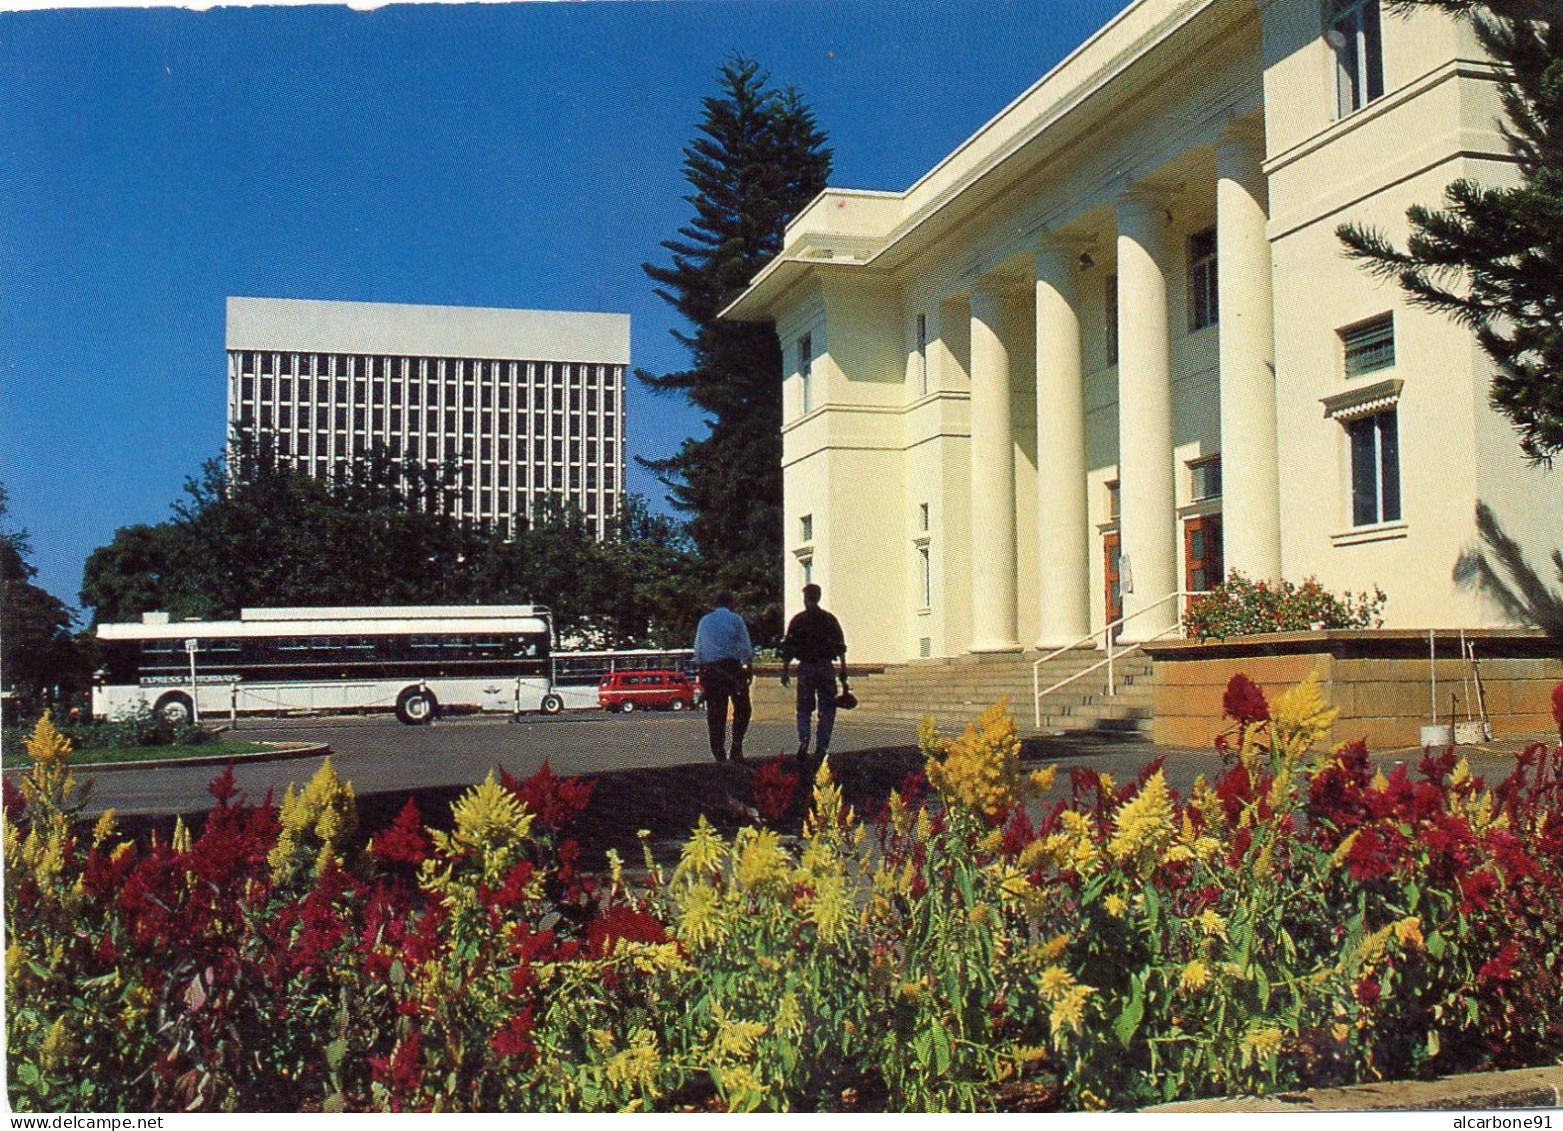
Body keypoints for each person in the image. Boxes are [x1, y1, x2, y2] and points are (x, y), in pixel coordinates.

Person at [779, 583, 848, 771]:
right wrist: (843, 671)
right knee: (827, 708)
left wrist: (785, 670)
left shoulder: (799, 620)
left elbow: (788, 647)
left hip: (806, 668)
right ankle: (822, 745)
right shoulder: (829, 619)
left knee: (803, 707)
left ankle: (804, 737)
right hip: (825, 667)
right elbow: (840, 647)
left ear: (806, 598)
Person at [692, 590, 754, 763]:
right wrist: (748, 668)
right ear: (731, 603)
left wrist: (702, 671)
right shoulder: (736, 620)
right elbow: (746, 648)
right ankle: (737, 744)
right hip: (731, 667)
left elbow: (698, 650)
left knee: (716, 712)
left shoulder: (705, 621)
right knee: (743, 707)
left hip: (711, 670)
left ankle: (718, 750)